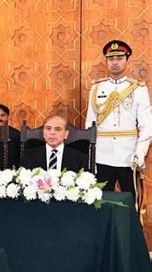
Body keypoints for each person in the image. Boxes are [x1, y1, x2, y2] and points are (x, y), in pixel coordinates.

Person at [86, 40, 151, 199]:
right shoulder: (96, 88)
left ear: (127, 61)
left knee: (132, 202)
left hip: (129, 156)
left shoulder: (139, 89)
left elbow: (147, 126)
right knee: (100, 203)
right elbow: (90, 125)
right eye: (111, 59)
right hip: (102, 156)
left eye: (120, 58)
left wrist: (140, 154)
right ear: (106, 61)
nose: (115, 63)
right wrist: (91, 157)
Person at [21, 115, 88, 172]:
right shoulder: (28, 156)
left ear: (66, 134)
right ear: (43, 133)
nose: (52, 133)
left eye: (58, 129)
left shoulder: (80, 158)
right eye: (48, 128)